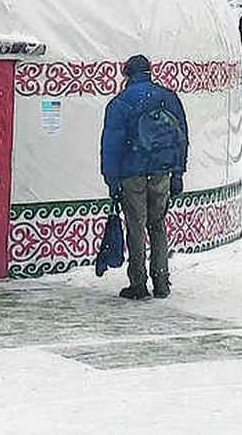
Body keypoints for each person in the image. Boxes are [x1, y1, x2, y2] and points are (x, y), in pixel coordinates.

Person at [100, 54, 189, 301]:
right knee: (157, 224)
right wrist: (178, 172)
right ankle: (162, 281)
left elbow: (112, 145)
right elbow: (181, 137)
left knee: (136, 226)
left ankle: (138, 282)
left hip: (132, 173)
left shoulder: (120, 103)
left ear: (127, 75)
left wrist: (112, 180)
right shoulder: (168, 99)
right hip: (161, 171)